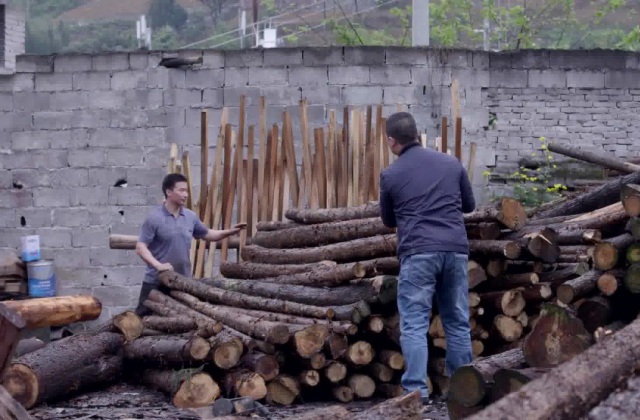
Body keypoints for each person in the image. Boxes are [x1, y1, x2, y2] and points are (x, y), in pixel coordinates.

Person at [379, 112, 476, 401]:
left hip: (418, 252)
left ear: (391, 141)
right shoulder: (451, 163)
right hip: (455, 251)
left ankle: (416, 393)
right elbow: (469, 206)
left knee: (414, 324)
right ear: (418, 134)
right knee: (457, 320)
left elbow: (388, 220)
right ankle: (465, 389)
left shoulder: (391, 174)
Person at [134, 173, 246, 316]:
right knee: (141, 323)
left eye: (186, 190)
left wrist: (230, 231)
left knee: (181, 323)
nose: (186, 194)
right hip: (155, 282)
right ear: (169, 192)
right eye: (181, 190)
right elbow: (140, 247)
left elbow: (208, 234)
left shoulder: (190, 217)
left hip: (182, 282)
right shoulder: (154, 218)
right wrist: (158, 266)